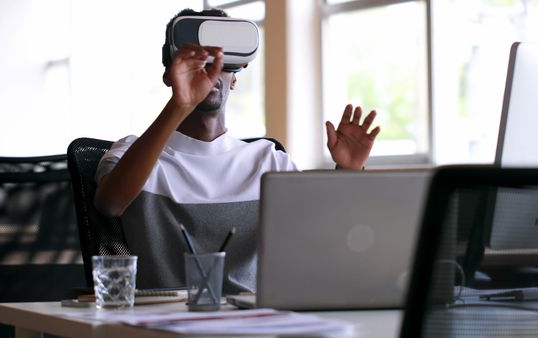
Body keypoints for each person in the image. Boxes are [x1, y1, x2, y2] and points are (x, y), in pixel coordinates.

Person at [93, 8, 380, 293]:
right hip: (163, 326)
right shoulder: (133, 154)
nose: (211, 71)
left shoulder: (268, 162)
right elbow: (110, 204)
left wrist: (348, 173)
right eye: (196, 61)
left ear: (235, 78)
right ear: (169, 75)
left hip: (255, 324)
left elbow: (326, 239)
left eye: (224, 62)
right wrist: (180, 106)